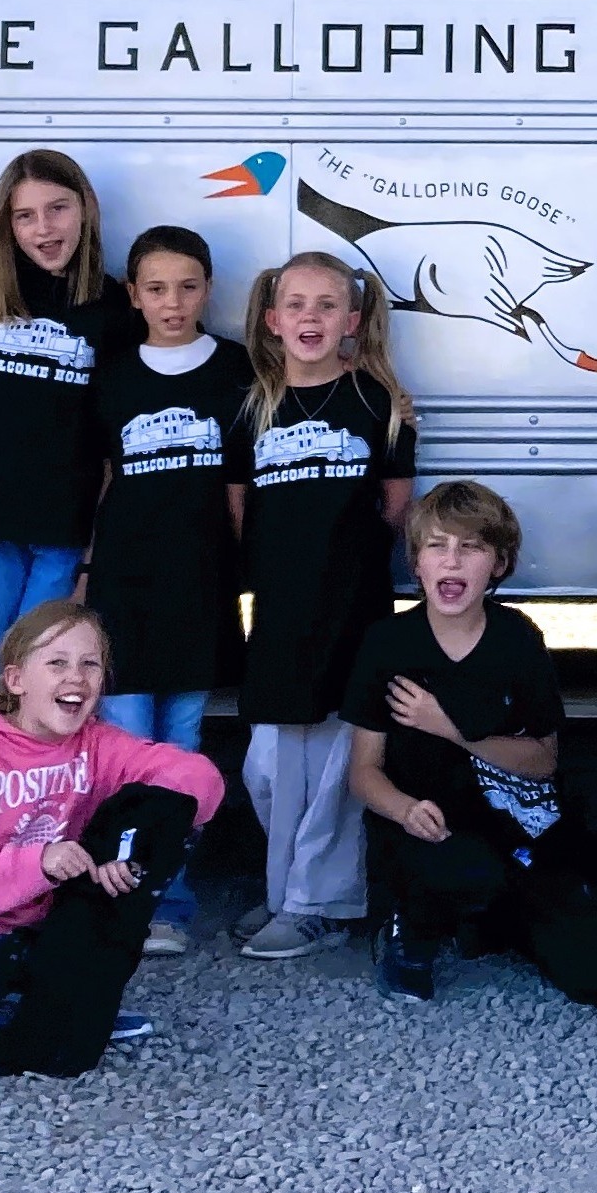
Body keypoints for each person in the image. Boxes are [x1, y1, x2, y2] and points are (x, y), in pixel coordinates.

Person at [348, 478, 597, 1007]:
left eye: (472, 547)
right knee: (462, 866)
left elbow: (542, 760)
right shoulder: (387, 642)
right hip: (433, 829)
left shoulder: (517, 638)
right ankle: (409, 932)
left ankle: (503, 919)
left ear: (500, 564)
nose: (453, 561)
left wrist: (452, 728)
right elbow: (363, 772)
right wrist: (404, 809)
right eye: (437, 546)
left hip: (520, 831)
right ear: (416, 563)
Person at [0, 598, 223, 1081]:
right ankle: (2, 1012)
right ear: (16, 680)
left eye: (89, 664)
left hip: (53, 929)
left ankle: (34, 1016)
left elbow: (200, 781)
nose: (76, 677)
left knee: (167, 807)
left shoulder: (95, 743)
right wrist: (40, 863)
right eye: (57, 663)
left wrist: (124, 851)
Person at [227, 251, 416, 960]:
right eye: (296, 304)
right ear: (273, 320)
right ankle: (284, 890)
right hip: (279, 612)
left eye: (326, 305)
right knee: (272, 764)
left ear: (352, 320)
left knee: (338, 760)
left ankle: (322, 901)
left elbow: (395, 508)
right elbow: (240, 511)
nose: (311, 317)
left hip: (353, 608)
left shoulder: (377, 403)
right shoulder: (254, 405)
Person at [85, 226, 251, 954]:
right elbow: (100, 481)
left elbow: (240, 489)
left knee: (181, 747)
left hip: (198, 585)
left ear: (208, 289)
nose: (173, 302)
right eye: (156, 288)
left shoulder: (237, 371)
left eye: (187, 286)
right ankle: (121, 891)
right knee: (124, 746)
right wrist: (88, 572)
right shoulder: (113, 372)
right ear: (134, 295)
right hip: (125, 583)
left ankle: (169, 902)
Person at [0, 151, 141, 658]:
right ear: (6, 223)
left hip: (64, 517)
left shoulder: (112, 304)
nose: (44, 229)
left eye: (58, 209)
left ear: (86, 208)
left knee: (41, 649)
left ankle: (20, 738)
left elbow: (116, 425)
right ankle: (12, 739)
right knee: (4, 651)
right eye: (25, 215)